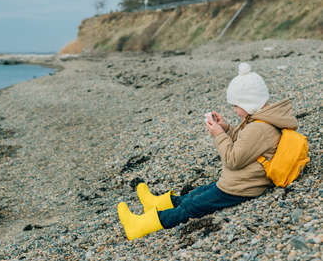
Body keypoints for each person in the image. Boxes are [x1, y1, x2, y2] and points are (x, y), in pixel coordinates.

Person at [117, 62, 299, 240]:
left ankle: (140, 226)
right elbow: (246, 145)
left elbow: (233, 159)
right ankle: (155, 204)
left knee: (192, 207)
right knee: (196, 194)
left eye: (236, 106)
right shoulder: (261, 120)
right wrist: (226, 128)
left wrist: (219, 135)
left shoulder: (258, 128)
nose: (234, 110)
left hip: (242, 188)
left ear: (248, 103)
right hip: (239, 182)